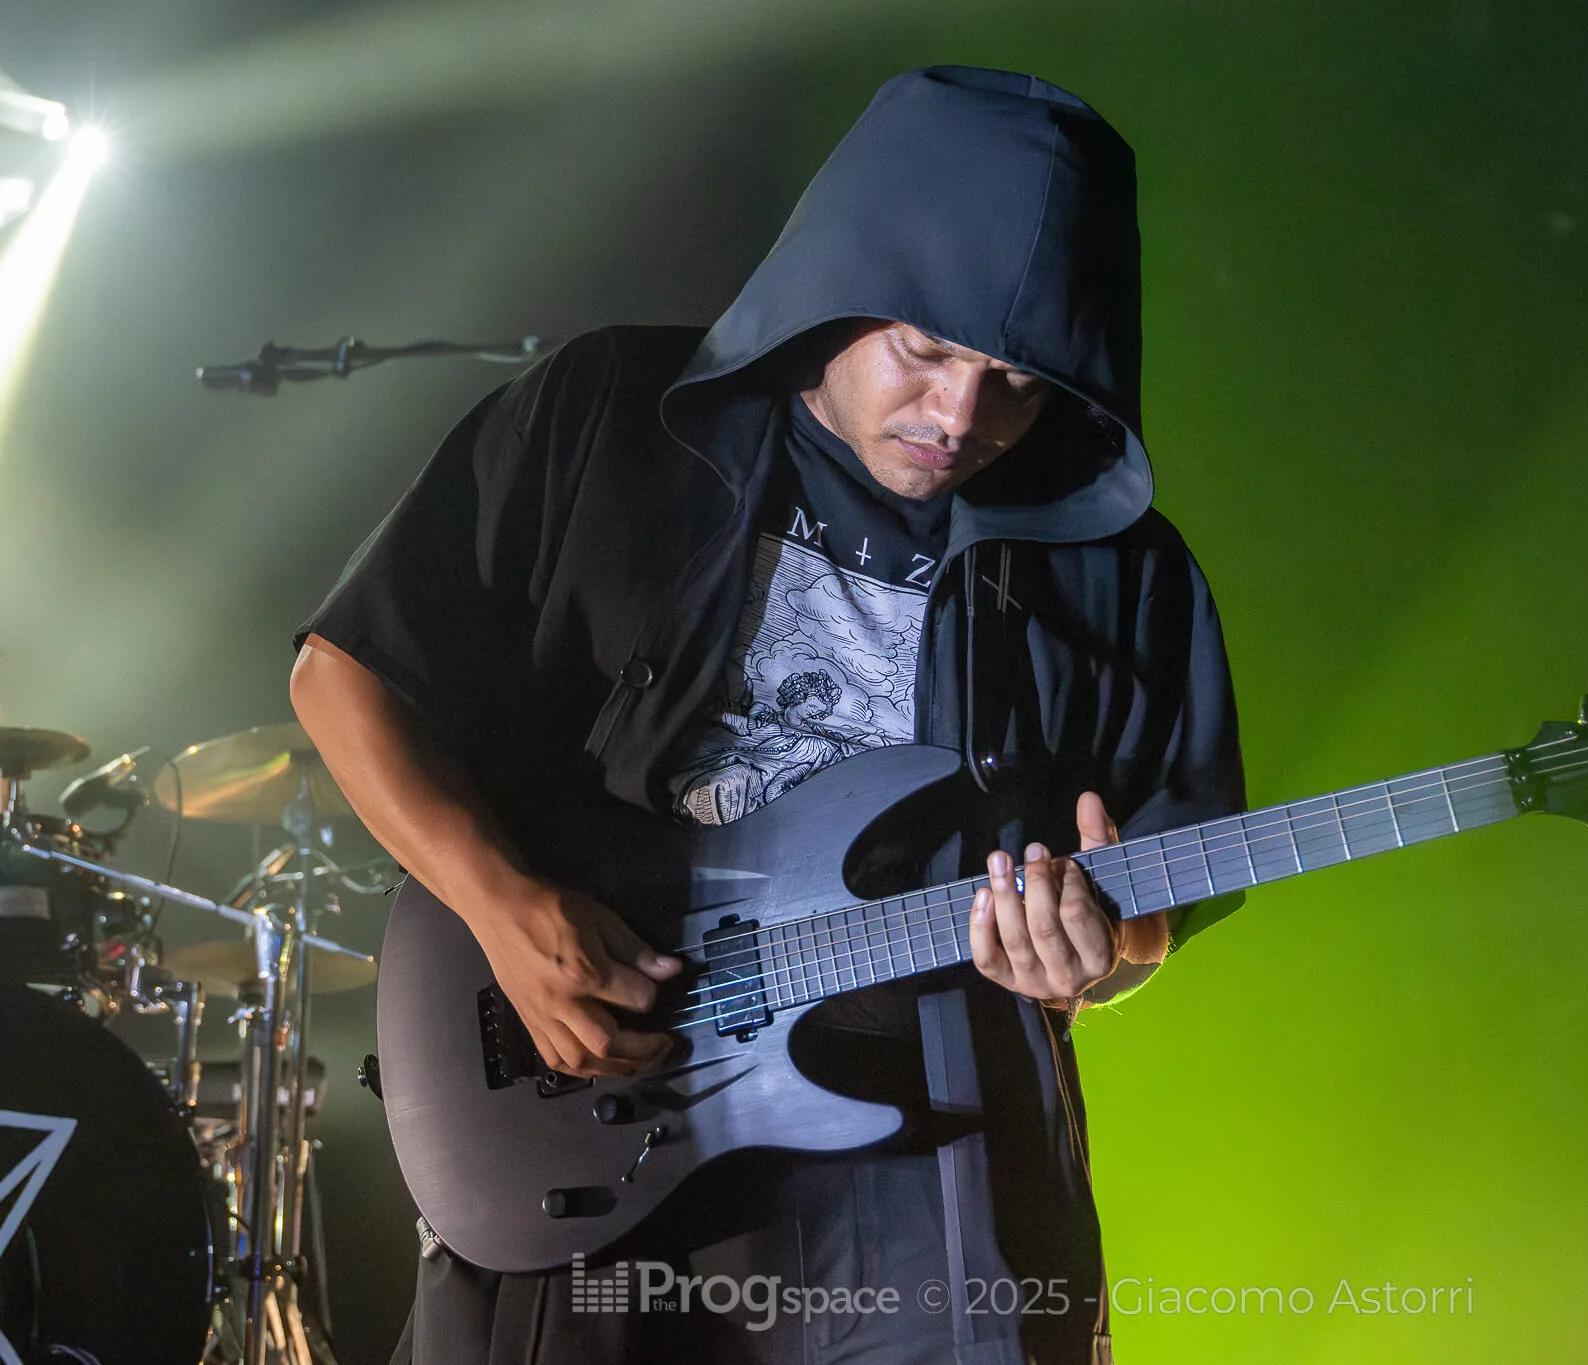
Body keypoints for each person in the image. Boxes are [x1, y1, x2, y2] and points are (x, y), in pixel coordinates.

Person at [291, 66, 1245, 1364]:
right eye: (926, 350)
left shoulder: (1123, 571)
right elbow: (345, 675)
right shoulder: (609, 413)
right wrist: (503, 908)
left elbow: (1141, 913)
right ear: (838, 291)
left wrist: (1095, 959)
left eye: (1017, 380)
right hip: (604, 1096)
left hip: (933, 1159)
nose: (960, 416)